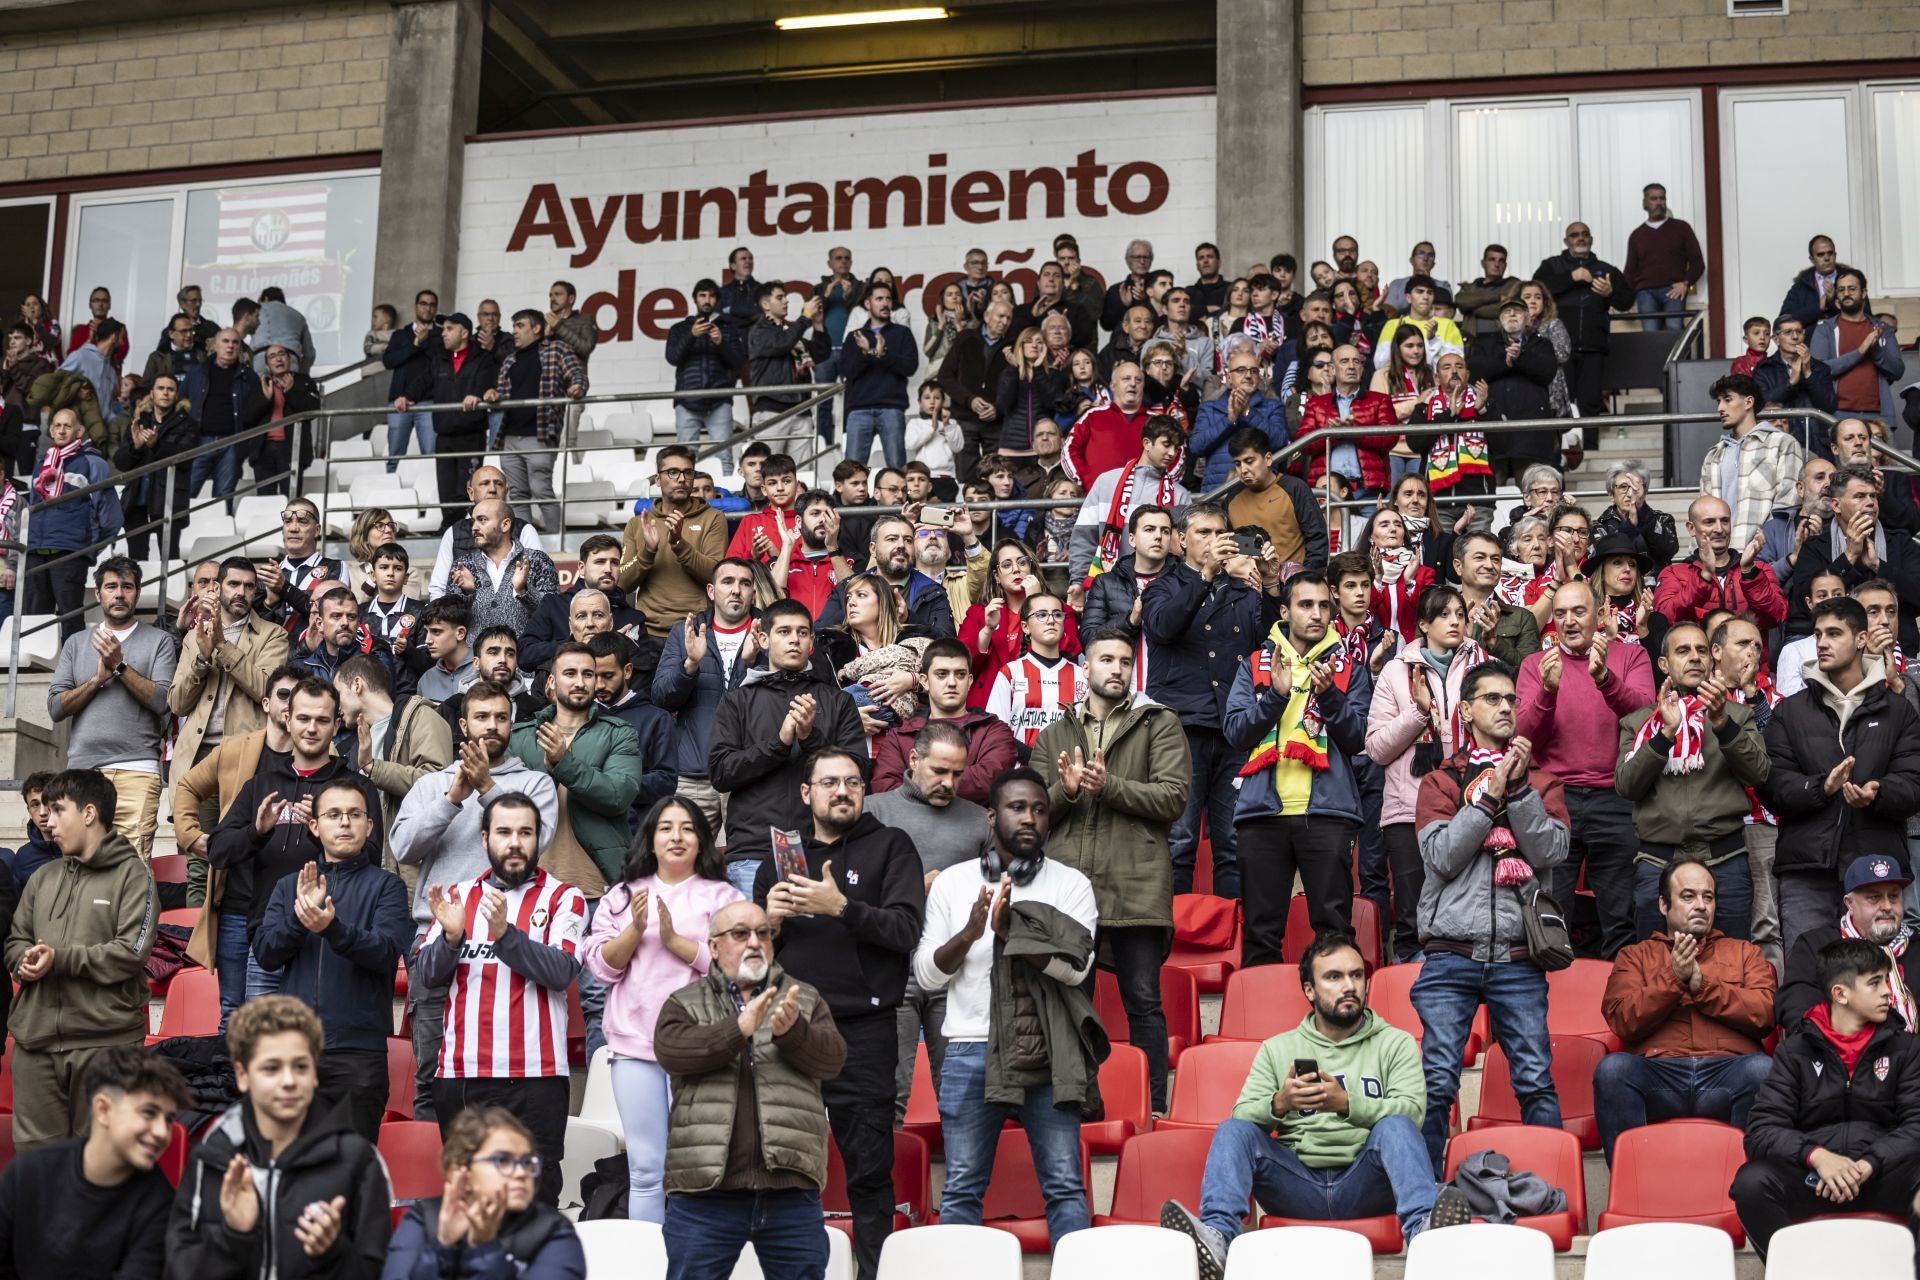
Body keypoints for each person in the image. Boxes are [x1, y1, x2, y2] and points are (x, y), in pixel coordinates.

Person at [1159, 934, 1466, 1276]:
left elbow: (1413, 1114)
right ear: (1309, 990)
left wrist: (1346, 1103)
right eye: (1333, 977)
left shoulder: (1396, 1044)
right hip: (1296, 1183)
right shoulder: (1278, 1048)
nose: (1348, 985)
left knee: (1396, 1124)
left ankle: (1428, 1240)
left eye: (1356, 975)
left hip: (1366, 1183)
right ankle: (1217, 1238)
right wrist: (1281, 1103)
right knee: (1235, 1130)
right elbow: (1241, 1116)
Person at [913, 767, 1100, 1248]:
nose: (1030, 818)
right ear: (992, 816)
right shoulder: (954, 885)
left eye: (1039, 809)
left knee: (1063, 1187)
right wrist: (970, 933)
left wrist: (1012, 935)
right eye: (1018, 808)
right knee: (960, 1190)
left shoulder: (1072, 884)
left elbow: (1075, 970)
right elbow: (928, 976)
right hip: (970, 1050)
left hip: (1048, 1053)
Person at [755, 748, 923, 1280]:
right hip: (791, 1030)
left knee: (870, 1176)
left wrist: (841, 908)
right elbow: (751, 962)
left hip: (864, 1031)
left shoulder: (891, 846)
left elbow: (904, 932)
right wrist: (769, 925)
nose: (842, 791)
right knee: (785, 1171)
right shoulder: (779, 857)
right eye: (829, 782)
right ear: (807, 793)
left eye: (852, 781)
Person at [1409, 659, 1568, 1170]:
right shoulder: (1440, 780)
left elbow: (1549, 852)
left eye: (1510, 701)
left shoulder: (1541, 782)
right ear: (1466, 709)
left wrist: (1518, 790)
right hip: (1449, 956)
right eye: (1492, 699)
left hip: (1520, 956)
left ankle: (1549, 1190)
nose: (1505, 708)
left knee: (1535, 1080)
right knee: (1435, 1082)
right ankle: (1423, 1194)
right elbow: (1441, 857)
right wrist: (1488, 796)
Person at [1031, 628, 1188, 1113]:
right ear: (1086, 669)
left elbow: (1174, 797)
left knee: (1143, 1001)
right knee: (1070, 1003)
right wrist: (1070, 791)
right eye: (1106, 660)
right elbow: (1031, 812)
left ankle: (1153, 1104)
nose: (1117, 668)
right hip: (1070, 892)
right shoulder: (1055, 732)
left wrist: (1110, 786)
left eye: (1124, 661)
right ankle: (1079, 1106)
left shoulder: (1157, 723)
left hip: (1136, 885)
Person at [390, 681, 559, 1122]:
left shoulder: (534, 783)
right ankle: (436, 1189)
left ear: (512, 722)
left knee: (505, 1074)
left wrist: (486, 788)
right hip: (439, 939)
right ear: (463, 725)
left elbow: (536, 841)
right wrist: (451, 800)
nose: (492, 726)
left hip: (511, 936)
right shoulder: (432, 785)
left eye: (501, 717)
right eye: (481, 718)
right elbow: (402, 847)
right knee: (432, 1073)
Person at [653, 900, 846, 1280]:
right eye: (740, 934)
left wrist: (795, 1034)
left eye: (763, 933)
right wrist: (738, 1029)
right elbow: (672, 1052)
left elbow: (832, 1062)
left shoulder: (803, 999)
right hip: (705, 1194)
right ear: (713, 946)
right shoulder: (685, 1002)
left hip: (790, 1189)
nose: (755, 942)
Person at [419, 792, 586, 1207]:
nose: (515, 842)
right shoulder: (456, 896)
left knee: (535, 1196)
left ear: (539, 839)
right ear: (484, 839)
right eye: (504, 832)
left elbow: (562, 970)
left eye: (525, 833)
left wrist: (505, 936)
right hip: (463, 1075)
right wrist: (452, 939)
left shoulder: (565, 898)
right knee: (469, 1196)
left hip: (537, 1076)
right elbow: (425, 975)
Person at [583, 797, 743, 1223]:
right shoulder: (622, 895)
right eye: (666, 828)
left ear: (702, 840)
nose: (676, 836)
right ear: (650, 840)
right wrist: (635, 930)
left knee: (701, 1170)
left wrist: (676, 942)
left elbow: (739, 971)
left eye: (687, 828)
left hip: (700, 1051)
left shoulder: (723, 896)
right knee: (647, 1171)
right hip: (635, 1049)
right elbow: (600, 967)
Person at [167, 995, 394, 1280]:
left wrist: (332, 1254)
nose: (288, 1081)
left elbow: (380, 1270)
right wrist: (232, 1237)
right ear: (242, 1075)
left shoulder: (358, 1161)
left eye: (301, 1066)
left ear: (315, 1073)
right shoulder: (213, 1155)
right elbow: (180, 1270)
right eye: (271, 1068)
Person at [1731, 938, 1920, 1260]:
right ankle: (1797, 1271)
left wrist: (1869, 1163)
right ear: (1840, 994)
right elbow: (1762, 1130)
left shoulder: (1906, 1048)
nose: (1888, 992)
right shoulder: (1795, 1051)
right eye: (1875, 983)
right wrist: (1818, 1157)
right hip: (1814, 1180)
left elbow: (1916, 1123)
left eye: (1886, 981)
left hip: (1882, 1174)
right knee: (1751, 1184)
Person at [251, 778, 411, 1142]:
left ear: (369, 827)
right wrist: (300, 918)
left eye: (355, 815)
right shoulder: (289, 885)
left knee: (352, 1169)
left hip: (358, 1055)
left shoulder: (387, 886)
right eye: (334, 815)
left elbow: (386, 952)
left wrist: (332, 928)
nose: (344, 823)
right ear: (314, 825)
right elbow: (266, 953)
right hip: (296, 1053)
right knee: (293, 1170)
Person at [5, 769, 157, 1152]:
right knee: (39, 1175)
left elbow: (131, 951)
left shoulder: (134, 874)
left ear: (89, 814)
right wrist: (24, 960)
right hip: (36, 1048)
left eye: (58, 810)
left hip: (105, 1047)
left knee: (101, 1171)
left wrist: (59, 959)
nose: (48, 821)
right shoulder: (43, 877)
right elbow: (14, 939)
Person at [1224, 572, 1370, 963]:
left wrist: (1331, 699)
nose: (1317, 614)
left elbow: (1359, 740)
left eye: (1324, 605)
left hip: (1327, 814)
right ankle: (1258, 1025)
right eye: (1306, 605)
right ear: (1285, 610)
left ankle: (1339, 1020)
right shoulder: (1257, 664)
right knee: (1261, 932)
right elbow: (1236, 732)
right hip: (1262, 814)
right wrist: (1275, 696)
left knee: (1334, 929)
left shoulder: (1348, 668)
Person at [210, 679, 384, 1001]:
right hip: (270, 940)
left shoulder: (356, 788)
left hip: (331, 942)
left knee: (323, 1046)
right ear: (287, 720)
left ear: (336, 724)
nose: (311, 728)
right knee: (265, 1046)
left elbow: (372, 859)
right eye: (303, 718)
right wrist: (256, 832)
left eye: (322, 720)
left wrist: (320, 835)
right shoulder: (261, 784)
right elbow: (218, 851)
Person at [1595, 855, 1776, 1164]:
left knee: (1762, 1069)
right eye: (1688, 896)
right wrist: (1674, 979)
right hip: (1659, 1074)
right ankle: (1635, 1191)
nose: (1701, 905)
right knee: (1613, 1071)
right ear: (1664, 905)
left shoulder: (1745, 953)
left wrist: (1702, 985)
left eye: (1708, 896)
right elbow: (1622, 1019)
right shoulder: (1634, 956)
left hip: (1728, 1071)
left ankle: (1748, 1192)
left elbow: (1765, 1014)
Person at [1764, 596, 1920, 946]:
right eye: (1818, 634)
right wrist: (1822, 787)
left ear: (1861, 639)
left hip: (1877, 870)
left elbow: (1913, 783)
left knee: (1878, 979)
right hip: (1808, 871)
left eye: (1834, 633)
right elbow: (1772, 785)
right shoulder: (1790, 712)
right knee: (1808, 979)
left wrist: (1877, 793)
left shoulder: (1899, 711)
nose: (1821, 643)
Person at [1142, 502, 1278, 899]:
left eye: (1222, 533)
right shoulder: (1162, 586)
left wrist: (1270, 586)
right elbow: (1164, 628)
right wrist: (1204, 575)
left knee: (1234, 843)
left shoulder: (1242, 589)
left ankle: (1232, 941)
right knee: (1180, 840)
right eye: (1205, 533)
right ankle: (1175, 937)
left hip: (1234, 728)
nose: (1216, 541)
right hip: (1181, 728)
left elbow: (1270, 643)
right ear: (1180, 541)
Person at [1515, 581, 1656, 957]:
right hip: (1553, 801)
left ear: (1599, 615)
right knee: (1550, 914)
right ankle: (1554, 1008)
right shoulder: (1535, 665)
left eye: (1578, 611)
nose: (1568, 621)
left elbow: (1646, 717)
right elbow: (1523, 736)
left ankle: (1617, 1007)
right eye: (1559, 613)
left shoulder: (1630, 656)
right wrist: (1547, 690)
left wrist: (1605, 681)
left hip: (1617, 798)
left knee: (1620, 914)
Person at [1616, 625, 1771, 942]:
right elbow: (1626, 786)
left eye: (1701, 650)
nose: (1695, 658)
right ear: (1664, 664)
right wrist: (1665, 735)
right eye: (1683, 651)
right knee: (1654, 965)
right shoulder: (1640, 722)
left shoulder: (1737, 716)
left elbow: (1759, 774)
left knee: (1730, 965)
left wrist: (1723, 725)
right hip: (1658, 862)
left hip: (1724, 861)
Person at [707, 600, 866, 898]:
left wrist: (810, 738)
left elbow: (858, 772)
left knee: (815, 945)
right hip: (755, 851)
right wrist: (778, 744)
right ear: (764, 639)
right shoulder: (737, 701)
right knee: (754, 943)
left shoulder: (837, 701)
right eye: (784, 631)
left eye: (803, 632)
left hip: (824, 848)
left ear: (811, 643)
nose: (795, 638)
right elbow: (721, 772)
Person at [0, 1044, 189, 1280]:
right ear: (103, 1110)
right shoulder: (26, 1174)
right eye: (149, 1113)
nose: (163, 1131)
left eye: (169, 1119)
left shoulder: (161, 1205)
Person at [47, 557, 177, 857]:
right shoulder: (76, 643)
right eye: (111, 587)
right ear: (98, 593)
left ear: (137, 592)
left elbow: (163, 701)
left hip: (137, 771)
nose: (119, 594)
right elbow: (55, 708)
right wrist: (96, 680)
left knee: (132, 867)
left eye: (127, 587)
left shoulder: (159, 641)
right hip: (82, 770)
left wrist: (119, 666)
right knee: (78, 864)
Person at [381, 1106, 585, 1280]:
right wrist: (441, 1250)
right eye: (503, 1161)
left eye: (527, 1162)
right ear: (460, 1170)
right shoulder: (425, 1218)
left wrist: (485, 1251)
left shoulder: (552, 1230)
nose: (522, 1173)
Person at [506, 642, 643, 888]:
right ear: (551, 681)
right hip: (529, 886)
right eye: (570, 673)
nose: (580, 682)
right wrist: (549, 769)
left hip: (597, 885)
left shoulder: (619, 734)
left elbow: (618, 795)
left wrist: (563, 763)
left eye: (588, 674)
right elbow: (506, 804)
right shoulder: (520, 737)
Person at [652, 559, 761, 834]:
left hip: (751, 774)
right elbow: (662, 698)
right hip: (694, 776)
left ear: (753, 593)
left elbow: (773, 703)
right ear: (711, 591)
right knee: (687, 862)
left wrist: (752, 662)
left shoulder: (769, 634)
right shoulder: (685, 632)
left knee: (747, 863)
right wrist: (689, 665)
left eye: (744, 583)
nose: (736, 590)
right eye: (728, 582)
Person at [868, 639, 1020, 804]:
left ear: (970, 681)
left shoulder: (993, 731)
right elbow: (885, 788)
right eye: (942, 674)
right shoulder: (900, 737)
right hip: (912, 829)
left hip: (973, 827)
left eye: (960, 674)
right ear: (925, 681)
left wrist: (922, 778)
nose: (952, 683)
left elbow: (988, 780)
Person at [1776, 855, 1920, 1029]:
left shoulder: (1915, 947)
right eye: (1874, 897)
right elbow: (1796, 1007)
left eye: (1894, 896)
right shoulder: (1815, 946)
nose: (1887, 906)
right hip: (1841, 1050)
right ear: (1849, 904)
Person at [485, 309, 587, 535]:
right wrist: (493, 394)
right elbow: (502, 393)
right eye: (513, 327)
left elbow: (578, 375)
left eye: (520, 326)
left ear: (537, 328)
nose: (514, 331)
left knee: (542, 491)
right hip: (510, 437)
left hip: (540, 435)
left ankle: (557, 542)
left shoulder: (557, 350)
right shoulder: (510, 359)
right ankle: (526, 547)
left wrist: (577, 387)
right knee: (518, 496)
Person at [22, 407, 121, 640]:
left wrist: (89, 548)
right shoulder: (41, 462)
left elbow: (111, 517)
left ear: (80, 430)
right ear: (50, 430)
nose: (62, 430)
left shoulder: (93, 463)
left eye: (67, 425)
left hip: (70, 549)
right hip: (37, 548)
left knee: (70, 613)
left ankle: (74, 668)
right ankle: (38, 664)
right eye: (57, 425)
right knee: (35, 615)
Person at [336, 653, 452, 834]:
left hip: (408, 855)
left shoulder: (422, 717)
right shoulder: (355, 744)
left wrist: (373, 767)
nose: (337, 706)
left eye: (339, 693)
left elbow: (437, 784)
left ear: (356, 685)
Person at [621, 445, 731, 637]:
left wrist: (679, 544)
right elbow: (622, 583)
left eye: (688, 472)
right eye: (673, 472)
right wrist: (648, 551)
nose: (681, 479)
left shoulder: (713, 518)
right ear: (657, 479)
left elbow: (715, 575)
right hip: (649, 630)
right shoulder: (637, 524)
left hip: (697, 628)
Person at [1533, 222, 1631, 419]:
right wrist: (1572, 277)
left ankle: (1591, 448)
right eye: (1575, 235)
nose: (1580, 238)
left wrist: (1610, 293)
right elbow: (1536, 291)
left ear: (1591, 239)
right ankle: (1565, 449)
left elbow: (1627, 301)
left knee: (1591, 402)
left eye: (1585, 234)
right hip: (1557, 349)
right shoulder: (1551, 266)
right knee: (1561, 402)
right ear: (1566, 240)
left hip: (1593, 347)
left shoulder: (1606, 269)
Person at [1697, 373, 1805, 552]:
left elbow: (1787, 504)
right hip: (1720, 557)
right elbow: (1703, 511)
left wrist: (1766, 548)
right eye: (1718, 401)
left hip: (1765, 554)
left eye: (1727, 399)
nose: (1720, 408)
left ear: (1748, 402)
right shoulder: (1714, 455)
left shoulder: (1782, 443)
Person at [427, 466, 545, 601]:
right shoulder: (453, 533)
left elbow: (540, 584)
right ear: (471, 493)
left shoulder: (525, 530)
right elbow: (438, 589)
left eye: (499, 484)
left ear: (506, 492)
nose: (492, 489)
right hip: (464, 619)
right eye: (484, 484)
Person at [446, 499, 559, 636]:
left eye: (482, 520)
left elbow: (552, 614)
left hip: (525, 655)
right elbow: (450, 621)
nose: (474, 527)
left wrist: (524, 591)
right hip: (475, 656)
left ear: (505, 525)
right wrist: (468, 594)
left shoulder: (537, 560)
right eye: (473, 521)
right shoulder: (463, 565)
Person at [664, 281, 743, 474]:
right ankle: (687, 501)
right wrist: (691, 335)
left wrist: (721, 342)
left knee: (724, 457)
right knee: (685, 459)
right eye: (702, 295)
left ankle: (725, 502)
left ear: (717, 299)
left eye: (711, 296)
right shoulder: (680, 328)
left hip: (719, 400)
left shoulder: (728, 327)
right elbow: (672, 358)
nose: (707, 300)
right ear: (695, 298)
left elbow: (739, 363)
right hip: (686, 401)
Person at [841, 282, 919, 471]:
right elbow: (847, 372)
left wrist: (883, 354)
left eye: (888, 299)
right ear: (867, 304)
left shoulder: (902, 333)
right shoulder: (855, 336)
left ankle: (902, 503)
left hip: (891, 407)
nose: (885, 303)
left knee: (897, 470)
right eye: (879, 299)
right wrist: (867, 353)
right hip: (859, 408)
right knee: (852, 472)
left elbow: (910, 367)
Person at [1813, 268, 1905, 427]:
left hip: (1878, 416)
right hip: (1837, 415)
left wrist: (1876, 353)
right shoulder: (1825, 329)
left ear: (1864, 293)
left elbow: (1897, 370)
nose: (1846, 293)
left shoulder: (1883, 329)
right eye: (1841, 290)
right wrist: (1860, 352)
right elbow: (1818, 370)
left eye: (1852, 288)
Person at [1190, 350, 1290, 491]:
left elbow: (1280, 442)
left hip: (1262, 491)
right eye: (1241, 370)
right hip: (1218, 492)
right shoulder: (1209, 408)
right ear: (1229, 377)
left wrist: (1248, 413)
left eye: (1254, 371)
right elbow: (1196, 447)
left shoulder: (1273, 406)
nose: (1248, 375)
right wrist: (1229, 420)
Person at [1622, 183, 1705, 330]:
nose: (1658, 202)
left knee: (1674, 329)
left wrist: (1685, 283)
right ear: (1645, 203)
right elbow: (1630, 271)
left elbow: (1698, 262)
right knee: (1650, 333)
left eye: (1662, 198)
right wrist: (1626, 300)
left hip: (1673, 289)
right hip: (1645, 292)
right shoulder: (1637, 235)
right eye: (1653, 199)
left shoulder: (1681, 228)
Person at [1779, 235, 1844, 330]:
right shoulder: (1801, 286)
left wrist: (1832, 304)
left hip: (1844, 338)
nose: (1827, 258)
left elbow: (1865, 314)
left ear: (1835, 255)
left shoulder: (1852, 281)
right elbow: (1784, 321)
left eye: (1830, 253)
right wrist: (1818, 308)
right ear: (1812, 259)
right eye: (1821, 254)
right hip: (1810, 341)